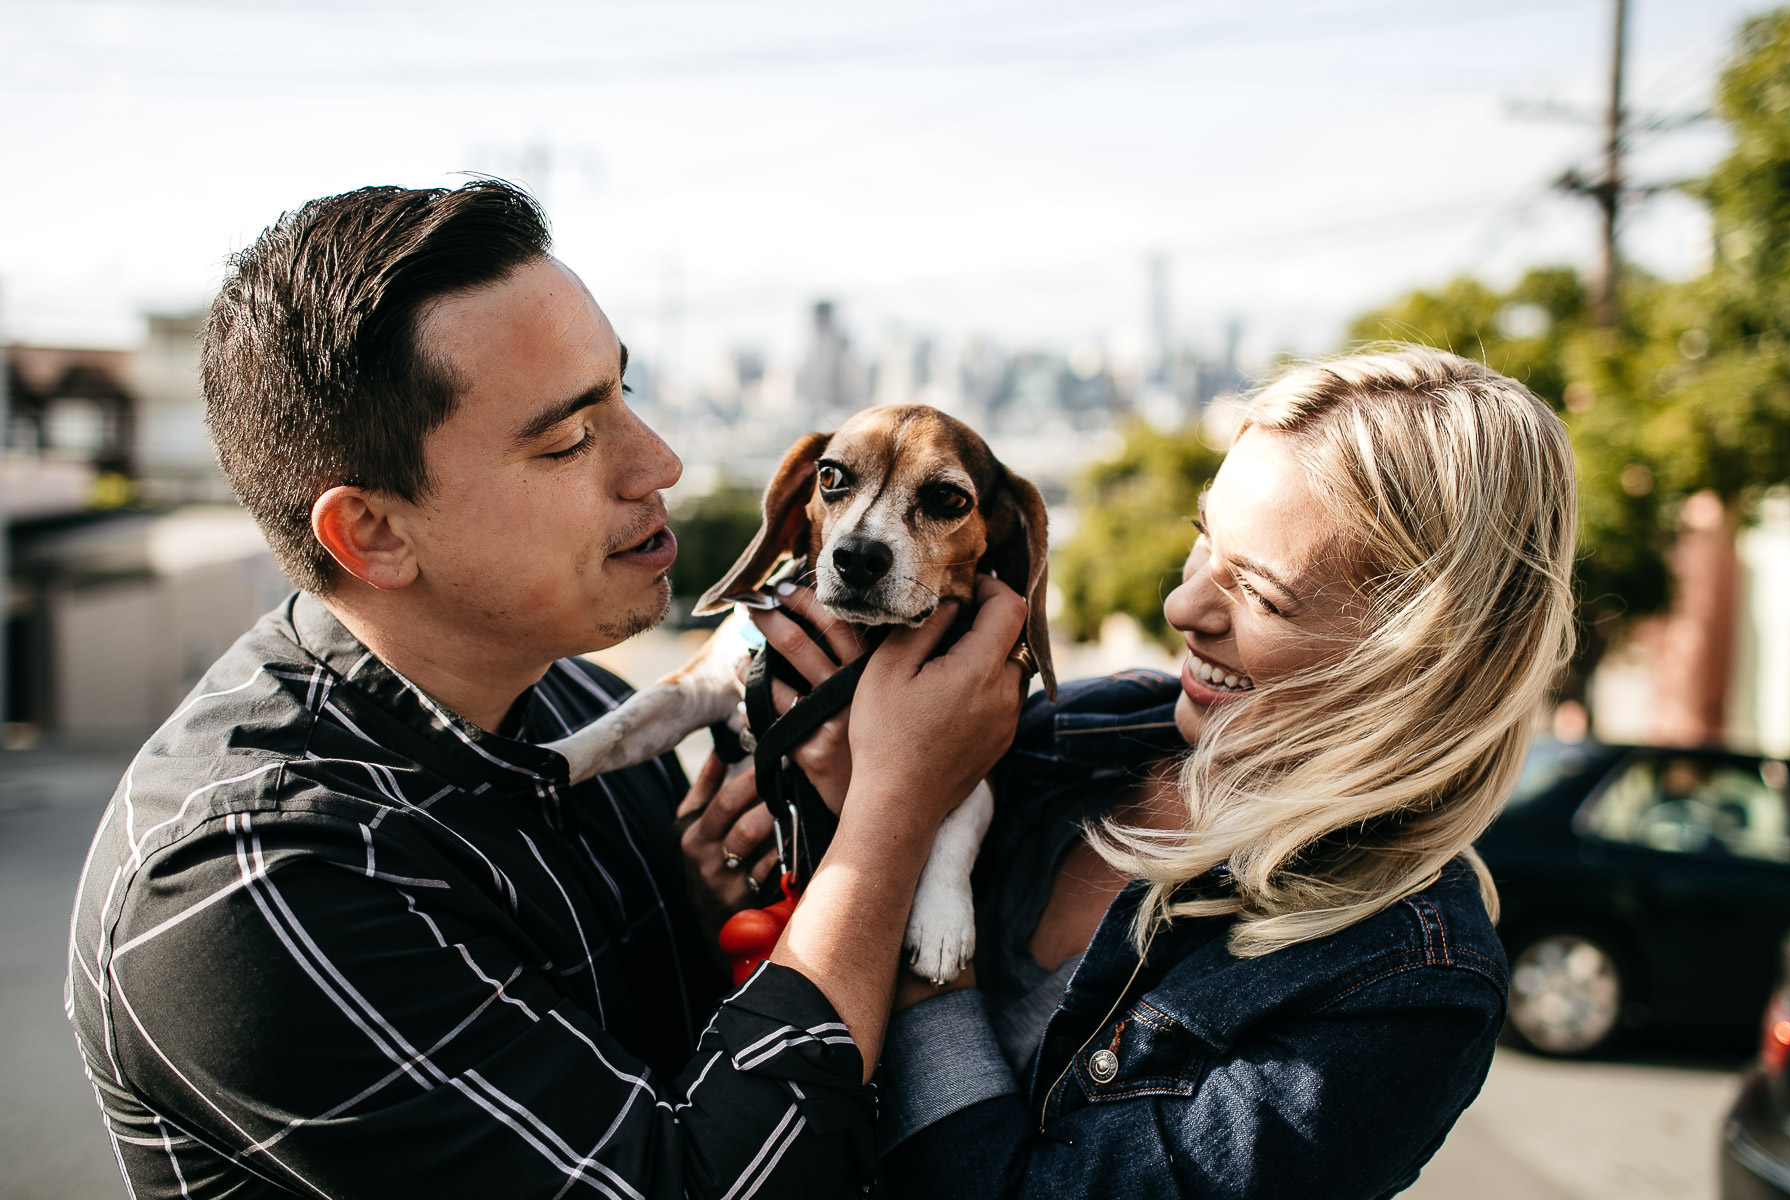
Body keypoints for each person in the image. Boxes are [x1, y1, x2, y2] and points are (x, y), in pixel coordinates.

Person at [65, 180, 1028, 1200]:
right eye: (568, 440)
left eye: (623, 392)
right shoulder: (249, 878)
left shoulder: (563, 702)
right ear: (376, 534)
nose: (660, 460)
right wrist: (895, 810)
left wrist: (704, 920)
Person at [877, 348, 1579, 1198]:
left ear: (1419, 658)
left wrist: (905, 880)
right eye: (1203, 536)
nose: (1183, 607)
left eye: (1259, 593)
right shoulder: (1087, 725)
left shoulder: (1410, 984)